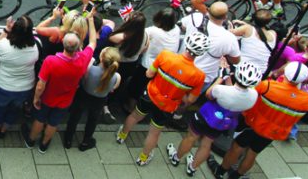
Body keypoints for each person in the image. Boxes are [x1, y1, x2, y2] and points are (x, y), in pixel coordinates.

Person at [115, 32, 209, 167]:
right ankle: (143, 157)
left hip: (150, 94)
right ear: (200, 53)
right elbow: (190, 99)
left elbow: (149, 73)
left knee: (135, 116)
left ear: (186, 44)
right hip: (168, 106)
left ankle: (122, 136)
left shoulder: (166, 55)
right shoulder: (199, 76)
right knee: (154, 132)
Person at [212, 62, 308, 179]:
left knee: (237, 148)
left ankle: (220, 171)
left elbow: (250, 96)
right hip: (272, 132)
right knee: (253, 153)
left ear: (285, 73)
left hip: (251, 125)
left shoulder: (268, 86)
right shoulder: (306, 100)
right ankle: (236, 176)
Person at [168, 61, 263, 177]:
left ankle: (176, 157)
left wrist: (221, 77)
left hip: (205, 116)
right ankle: (192, 168)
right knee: (206, 144)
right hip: (222, 123)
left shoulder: (221, 90)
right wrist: (228, 79)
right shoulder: (253, 96)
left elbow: (209, 94)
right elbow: (235, 93)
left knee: (191, 138)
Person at [24, 10, 97, 153]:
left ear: (63, 43)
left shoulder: (51, 61)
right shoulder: (83, 59)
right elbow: (93, 41)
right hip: (65, 100)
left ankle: (31, 140)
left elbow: (40, 85)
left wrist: (36, 98)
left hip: (47, 97)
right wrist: (91, 20)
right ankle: (44, 145)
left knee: (39, 119)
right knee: (53, 123)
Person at [0, 15, 39, 138]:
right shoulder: (35, 46)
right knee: (14, 110)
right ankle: (4, 130)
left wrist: (6, 29)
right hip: (25, 87)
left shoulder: (4, 45)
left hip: (4, 85)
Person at [63, 46, 121, 151]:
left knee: (74, 117)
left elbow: (83, 78)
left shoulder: (90, 69)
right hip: (99, 101)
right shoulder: (116, 77)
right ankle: (86, 142)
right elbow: (112, 89)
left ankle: (68, 140)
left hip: (83, 95)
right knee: (93, 120)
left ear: (101, 57)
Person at [180, 2, 241, 88]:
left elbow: (183, 26)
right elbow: (236, 60)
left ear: (208, 11)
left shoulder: (195, 17)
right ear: (225, 17)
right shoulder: (229, 38)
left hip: (181, 65)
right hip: (203, 75)